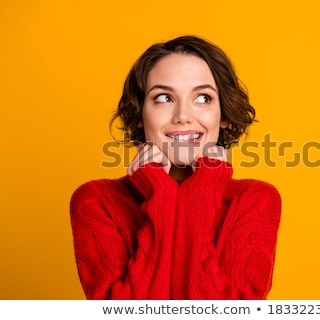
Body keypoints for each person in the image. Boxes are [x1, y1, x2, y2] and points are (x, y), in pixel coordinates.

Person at [70, 35, 282, 299]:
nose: (183, 115)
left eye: (203, 98)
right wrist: (161, 195)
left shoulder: (255, 200)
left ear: (224, 114)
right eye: (163, 98)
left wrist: (201, 190)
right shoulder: (96, 202)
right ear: (139, 115)